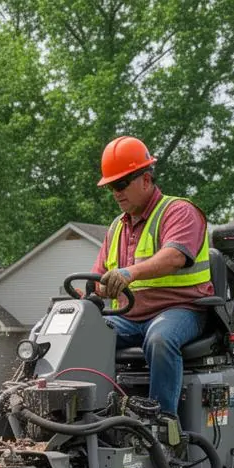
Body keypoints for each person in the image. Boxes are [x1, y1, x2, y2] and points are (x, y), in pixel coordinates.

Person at [91, 136, 214, 413]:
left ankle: (161, 424)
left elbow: (174, 257)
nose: (116, 192)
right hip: (128, 318)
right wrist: (83, 297)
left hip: (181, 310)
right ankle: (91, 415)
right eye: (111, 186)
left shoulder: (179, 212)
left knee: (160, 340)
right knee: (83, 335)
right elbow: (97, 278)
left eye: (121, 184)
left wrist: (128, 273)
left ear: (146, 180)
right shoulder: (116, 228)